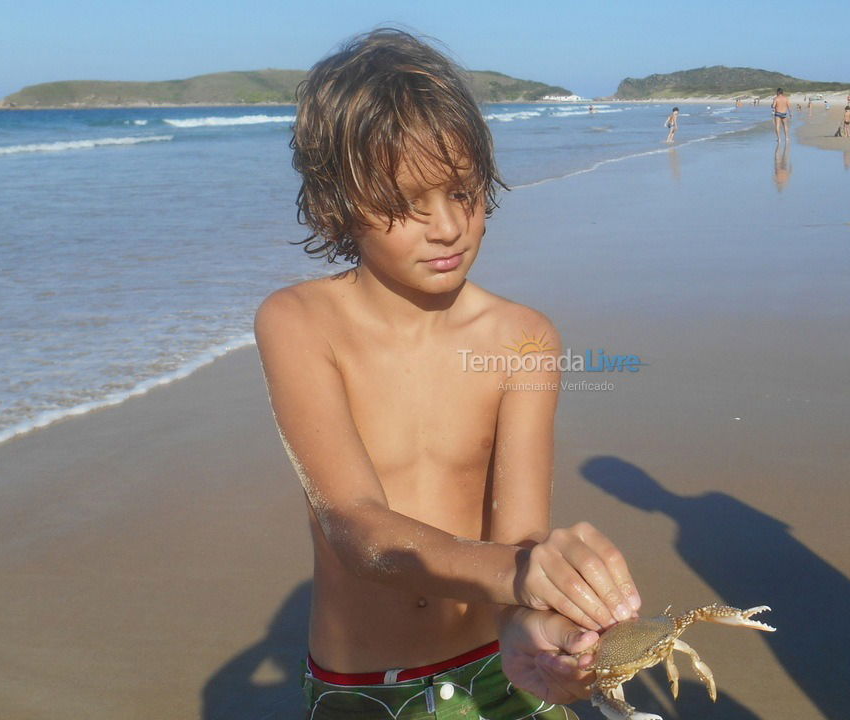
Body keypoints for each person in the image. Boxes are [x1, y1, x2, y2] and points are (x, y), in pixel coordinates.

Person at [260, 28, 642, 719]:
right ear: (337, 201)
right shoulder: (299, 324)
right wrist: (523, 577)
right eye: (407, 203)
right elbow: (356, 527)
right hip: (367, 690)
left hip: (501, 670)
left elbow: (519, 535)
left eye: (463, 192)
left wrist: (548, 629)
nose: (447, 227)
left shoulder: (524, 338)